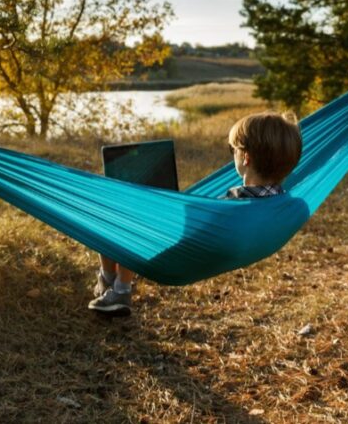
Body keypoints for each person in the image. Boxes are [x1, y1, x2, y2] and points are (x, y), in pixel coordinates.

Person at [87, 110, 302, 316]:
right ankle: (110, 281)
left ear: (245, 157)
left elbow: (186, 227)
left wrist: (164, 207)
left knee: (119, 213)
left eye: (233, 150)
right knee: (130, 211)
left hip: (179, 257)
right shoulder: (293, 206)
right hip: (212, 249)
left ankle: (118, 287)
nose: (232, 154)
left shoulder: (229, 210)